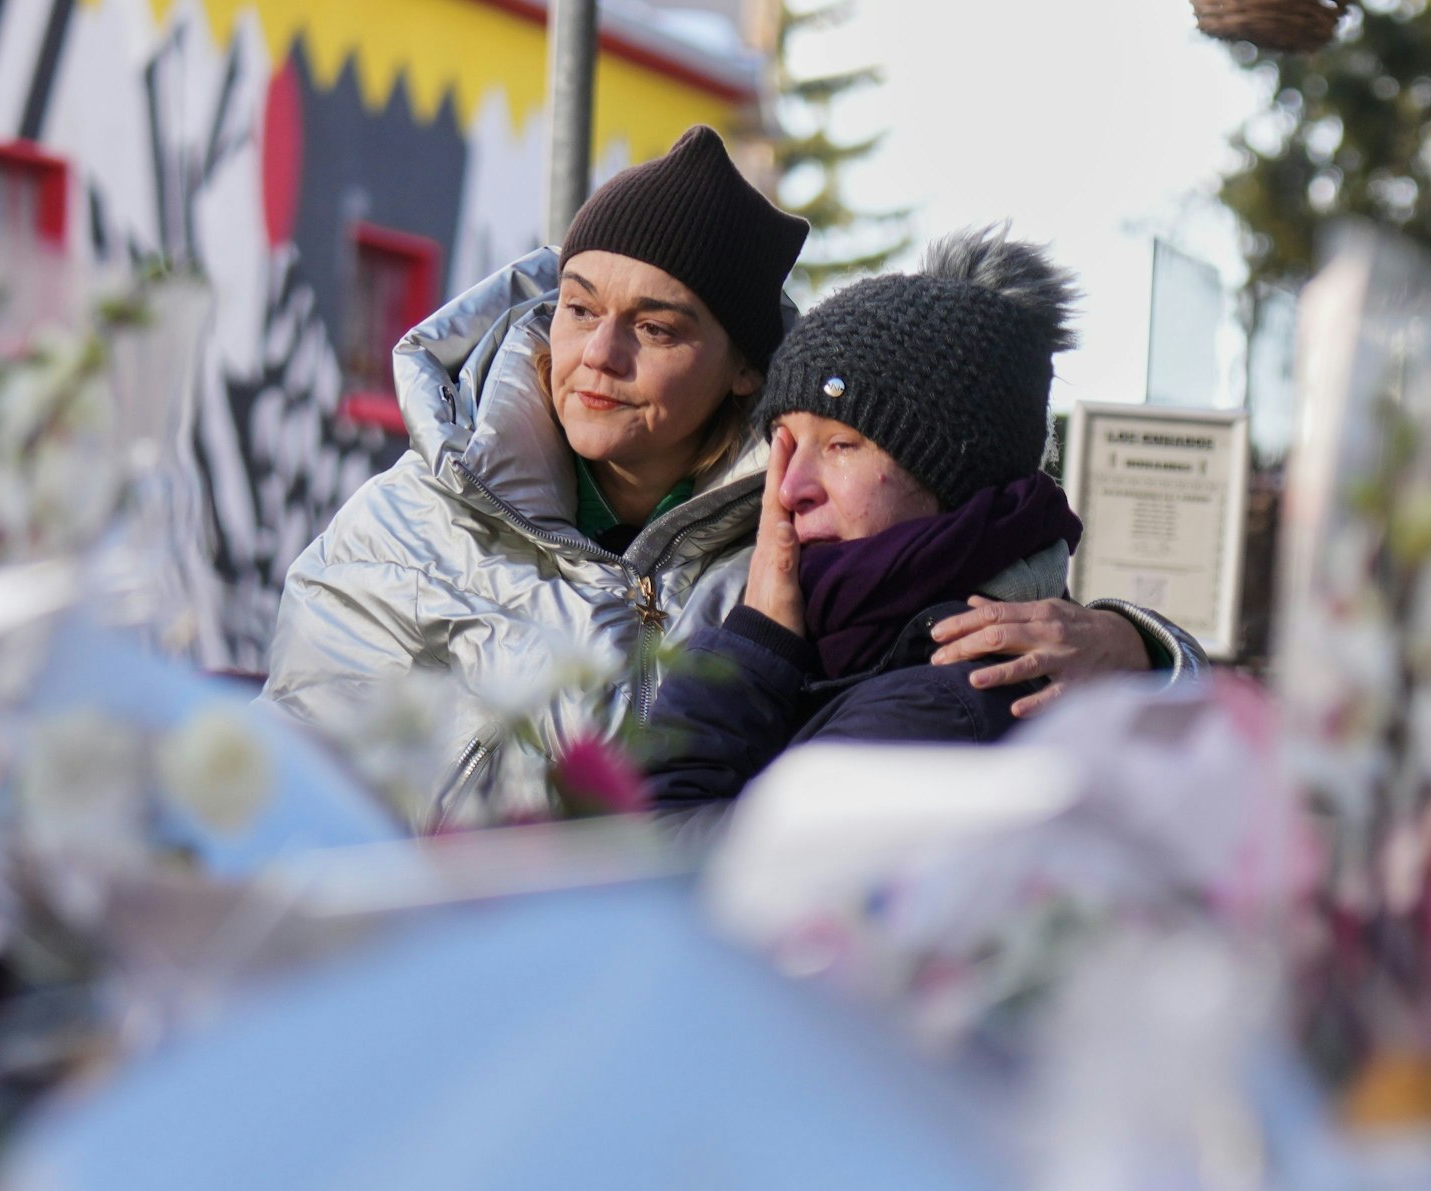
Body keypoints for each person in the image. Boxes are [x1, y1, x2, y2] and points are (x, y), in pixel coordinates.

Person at [261, 128, 1200, 828]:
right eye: (578, 309)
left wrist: (1140, 646)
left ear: (745, 366)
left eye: (657, 328)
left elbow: (993, 616)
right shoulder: (404, 527)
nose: (598, 355)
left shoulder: (817, 533)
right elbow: (288, 804)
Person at [646, 227, 1180, 809]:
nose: (792, 488)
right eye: (785, 442)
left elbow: (660, 849)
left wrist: (753, 647)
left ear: (955, 477)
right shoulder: (832, 641)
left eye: (841, 445)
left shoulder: (946, 701)